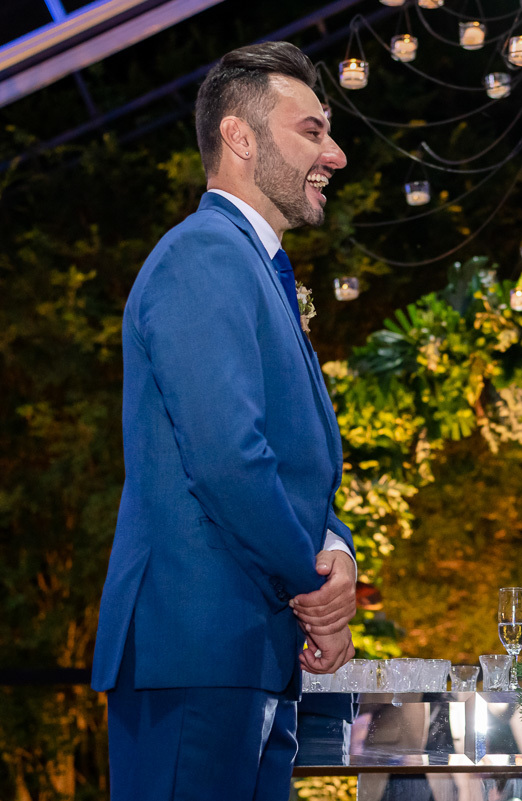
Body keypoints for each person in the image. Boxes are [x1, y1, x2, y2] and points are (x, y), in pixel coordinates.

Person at [91, 41, 358, 800]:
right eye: (312, 130)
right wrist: (316, 594)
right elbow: (231, 460)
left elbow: (293, 458)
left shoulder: (253, 267)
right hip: (198, 649)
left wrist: (337, 547)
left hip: (246, 657)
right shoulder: (204, 255)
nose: (334, 154)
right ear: (240, 137)